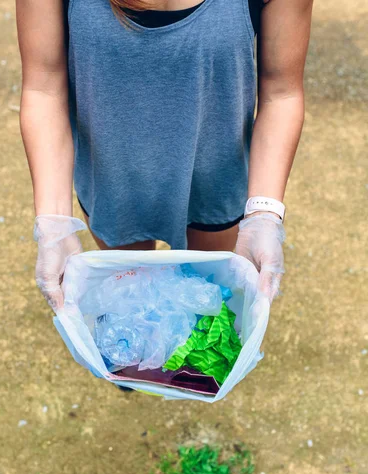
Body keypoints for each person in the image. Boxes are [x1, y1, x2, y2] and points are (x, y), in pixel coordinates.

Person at [16, 0, 313, 313]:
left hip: (217, 185)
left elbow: (282, 92)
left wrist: (264, 215)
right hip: (113, 184)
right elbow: (43, 88)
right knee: (133, 312)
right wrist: (53, 225)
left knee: (205, 311)